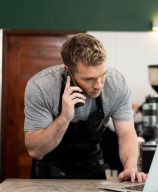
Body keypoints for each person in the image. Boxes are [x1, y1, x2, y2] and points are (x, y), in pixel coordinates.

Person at [24, 33, 146, 182]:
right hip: (48, 172)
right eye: (89, 79)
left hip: (92, 169)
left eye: (103, 75)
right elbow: (35, 151)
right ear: (68, 71)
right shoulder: (42, 87)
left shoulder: (117, 84)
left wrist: (130, 167)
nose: (99, 85)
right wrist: (64, 118)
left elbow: (126, 133)